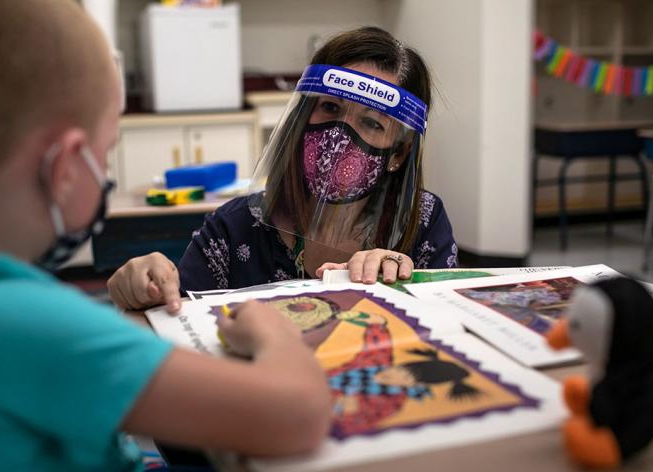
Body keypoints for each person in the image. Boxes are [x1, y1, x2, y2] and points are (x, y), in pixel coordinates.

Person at [0, 1, 331, 470]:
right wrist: (275, 335)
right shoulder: (19, 324)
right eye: (105, 155)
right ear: (63, 167)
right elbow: (299, 414)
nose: (103, 174)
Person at [108, 27, 457, 306]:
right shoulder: (236, 228)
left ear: (399, 153)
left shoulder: (422, 222)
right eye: (330, 109)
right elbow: (175, 320)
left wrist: (405, 285)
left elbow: (452, 329)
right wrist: (145, 291)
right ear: (303, 115)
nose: (338, 137)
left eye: (372, 123)